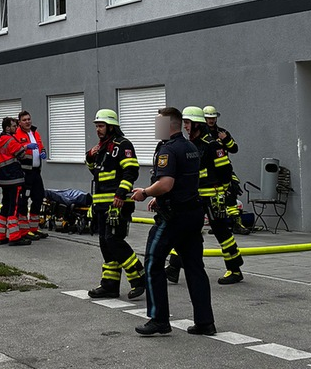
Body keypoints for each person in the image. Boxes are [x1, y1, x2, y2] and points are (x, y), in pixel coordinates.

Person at [130, 107, 214, 336]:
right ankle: (205, 322)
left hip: (173, 217)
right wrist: (159, 197)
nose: (155, 128)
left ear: (169, 126)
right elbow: (183, 182)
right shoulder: (190, 147)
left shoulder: (168, 149)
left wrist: (146, 192)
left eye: (158, 124)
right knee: (195, 268)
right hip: (192, 213)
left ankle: (158, 319)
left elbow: (166, 183)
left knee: (152, 264)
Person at [167, 106, 245, 286]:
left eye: (187, 123)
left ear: (197, 124)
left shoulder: (212, 144)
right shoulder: (190, 144)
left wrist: (224, 192)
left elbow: (225, 170)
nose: (185, 127)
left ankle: (234, 269)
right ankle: (173, 268)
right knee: (186, 230)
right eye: (184, 123)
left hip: (212, 197)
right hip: (195, 197)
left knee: (222, 232)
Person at [86, 109, 146, 300]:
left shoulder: (123, 145)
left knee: (114, 241)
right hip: (102, 205)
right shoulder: (102, 147)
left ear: (112, 126)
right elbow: (96, 173)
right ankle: (109, 285)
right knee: (105, 244)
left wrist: (120, 194)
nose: (98, 129)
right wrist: (90, 156)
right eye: (96, 126)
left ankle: (139, 277)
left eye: (101, 126)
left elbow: (131, 171)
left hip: (117, 204)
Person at [0, 117, 30, 246]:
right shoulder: (10, 140)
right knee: (13, 208)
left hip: (3, 179)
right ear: (7, 128)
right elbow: (22, 155)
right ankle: (14, 237)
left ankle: (1, 235)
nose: (16, 128)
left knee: (5, 206)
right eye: (14, 126)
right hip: (14, 178)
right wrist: (25, 147)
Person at [203, 105, 243, 223]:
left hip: (224, 169)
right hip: (209, 172)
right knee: (213, 199)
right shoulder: (200, 134)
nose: (211, 120)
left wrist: (226, 140)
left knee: (231, 192)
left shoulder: (222, 132)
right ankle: (215, 223)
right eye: (209, 118)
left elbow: (234, 149)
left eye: (213, 118)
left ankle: (236, 222)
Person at [15, 110, 48, 241]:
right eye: (24, 120)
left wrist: (43, 152)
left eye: (29, 119)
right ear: (19, 122)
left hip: (36, 171)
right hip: (24, 172)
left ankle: (33, 228)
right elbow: (15, 149)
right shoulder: (16, 134)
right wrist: (25, 146)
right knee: (23, 201)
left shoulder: (35, 133)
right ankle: (24, 230)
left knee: (39, 197)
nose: (27, 122)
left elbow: (41, 146)